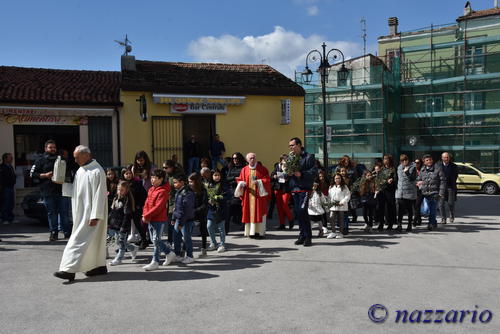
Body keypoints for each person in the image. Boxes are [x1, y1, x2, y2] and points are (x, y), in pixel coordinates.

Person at [53, 145, 108, 282]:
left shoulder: (97, 170)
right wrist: (63, 183)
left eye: (77, 157)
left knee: (77, 240)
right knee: (92, 241)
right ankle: (97, 266)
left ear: (86, 155)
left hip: (91, 214)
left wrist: (95, 215)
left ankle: (68, 270)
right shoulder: (81, 170)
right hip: (81, 212)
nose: (75, 160)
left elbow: (100, 194)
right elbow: (76, 190)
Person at [30, 140, 70, 241]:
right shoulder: (40, 160)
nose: (53, 149)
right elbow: (32, 174)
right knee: (51, 213)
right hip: (47, 191)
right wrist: (45, 175)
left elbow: (70, 172)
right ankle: (53, 233)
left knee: (64, 213)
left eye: (54, 147)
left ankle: (67, 233)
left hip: (62, 190)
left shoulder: (61, 159)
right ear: (45, 148)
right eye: (50, 147)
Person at [142, 169, 176, 271]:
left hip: (159, 219)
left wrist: (147, 215)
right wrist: (144, 214)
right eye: (152, 177)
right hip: (150, 218)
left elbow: (158, 207)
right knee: (154, 240)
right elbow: (147, 203)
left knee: (156, 240)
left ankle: (155, 261)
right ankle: (169, 253)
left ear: (161, 179)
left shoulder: (163, 191)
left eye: (155, 178)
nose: (152, 180)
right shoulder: (151, 189)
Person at [288, 137, 317, 247]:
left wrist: (301, 174)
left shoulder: (309, 157)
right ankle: (302, 235)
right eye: (289, 146)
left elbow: (313, 172)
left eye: (293, 145)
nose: (291, 147)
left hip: (304, 188)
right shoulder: (291, 157)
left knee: (302, 211)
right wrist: (288, 173)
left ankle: (308, 236)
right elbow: (286, 171)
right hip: (294, 188)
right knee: (297, 212)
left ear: (299, 145)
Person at [236, 153, 271, 238]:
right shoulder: (244, 170)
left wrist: (259, 181)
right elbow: (239, 179)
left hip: (259, 196)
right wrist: (241, 184)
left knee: (260, 212)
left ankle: (260, 232)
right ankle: (251, 232)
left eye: (254, 158)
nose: (252, 159)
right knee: (249, 212)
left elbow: (267, 179)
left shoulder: (262, 169)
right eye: (250, 158)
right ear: (247, 160)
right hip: (248, 196)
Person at [108, 181, 138, 266]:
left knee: (121, 242)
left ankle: (119, 259)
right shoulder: (116, 198)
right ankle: (133, 248)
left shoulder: (127, 200)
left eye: (122, 190)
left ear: (126, 190)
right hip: (115, 224)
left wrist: (123, 227)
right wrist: (109, 222)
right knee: (119, 241)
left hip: (123, 225)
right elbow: (112, 212)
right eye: (118, 189)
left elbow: (127, 215)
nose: (119, 191)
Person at [416, 154, 446, 231]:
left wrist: (441, 193)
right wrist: (418, 182)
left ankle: (430, 224)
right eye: (427, 160)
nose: (429, 161)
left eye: (430, 160)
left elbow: (443, 181)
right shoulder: (422, 170)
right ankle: (434, 222)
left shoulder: (438, 169)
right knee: (426, 210)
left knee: (432, 210)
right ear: (424, 162)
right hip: (425, 193)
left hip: (434, 193)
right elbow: (418, 179)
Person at [122, 167, 149, 249]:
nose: (128, 175)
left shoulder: (137, 183)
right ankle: (123, 244)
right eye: (126, 173)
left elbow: (144, 195)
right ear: (123, 175)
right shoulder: (122, 184)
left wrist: (139, 205)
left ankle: (144, 240)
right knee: (124, 227)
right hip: (125, 209)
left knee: (138, 225)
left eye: (130, 173)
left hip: (135, 208)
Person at [172, 174, 196, 264]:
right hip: (178, 219)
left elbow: (187, 210)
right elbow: (176, 207)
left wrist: (181, 223)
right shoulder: (178, 192)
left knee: (187, 238)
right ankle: (177, 255)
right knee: (176, 238)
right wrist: (173, 218)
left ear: (182, 182)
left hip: (186, 220)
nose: (174, 184)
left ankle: (190, 256)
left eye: (175, 182)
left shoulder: (188, 193)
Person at [395, 154, 417, 233]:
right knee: (400, 209)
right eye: (402, 160)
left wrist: (407, 172)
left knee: (409, 209)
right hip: (400, 192)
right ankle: (399, 225)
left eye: (405, 160)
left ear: (408, 160)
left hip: (409, 192)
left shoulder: (413, 167)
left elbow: (413, 178)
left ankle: (409, 225)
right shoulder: (399, 168)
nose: (404, 162)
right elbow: (397, 179)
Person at [270, 154, 293, 230]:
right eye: (284, 159)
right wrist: (274, 176)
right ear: (281, 160)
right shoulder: (277, 166)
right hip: (278, 188)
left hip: (286, 188)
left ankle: (291, 219)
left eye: (287, 160)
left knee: (285, 204)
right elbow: (272, 174)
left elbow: (292, 177)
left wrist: (288, 178)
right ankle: (282, 224)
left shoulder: (290, 167)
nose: (285, 161)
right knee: (279, 207)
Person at [225, 152, 246, 234]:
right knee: (230, 210)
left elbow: (243, 178)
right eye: (233, 158)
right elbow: (227, 179)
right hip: (232, 191)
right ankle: (226, 229)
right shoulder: (231, 167)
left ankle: (243, 225)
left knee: (241, 209)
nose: (235, 160)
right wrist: (235, 178)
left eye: (236, 158)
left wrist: (235, 180)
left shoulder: (244, 167)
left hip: (241, 191)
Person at [188, 173, 209, 258]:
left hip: (201, 213)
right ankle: (185, 250)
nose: (189, 183)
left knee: (203, 230)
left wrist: (195, 211)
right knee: (187, 232)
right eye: (188, 181)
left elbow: (204, 204)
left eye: (191, 182)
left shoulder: (203, 190)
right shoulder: (188, 190)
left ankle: (204, 249)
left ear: (196, 181)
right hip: (190, 213)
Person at [435, 152, 458, 224]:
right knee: (441, 204)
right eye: (444, 157)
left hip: (450, 187)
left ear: (449, 158)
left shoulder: (454, 166)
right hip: (441, 188)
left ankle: (451, 216)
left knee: (451, 204)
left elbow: (456, 176)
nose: (446, 159)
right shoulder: (438, 165)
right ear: (442, 158)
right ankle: (443, 219)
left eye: (447, 157)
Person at [207, 170, 227, 253]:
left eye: (218, 175)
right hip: (211, 209)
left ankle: (222, 244)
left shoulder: (223, 184)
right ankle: (213, 243)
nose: (217, 177)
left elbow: (226, 195)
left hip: (220, 209)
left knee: (221, 228)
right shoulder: (208, 185)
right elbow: (206, 195)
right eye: (215, 175)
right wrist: (208, 200)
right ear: (212, 176)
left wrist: (216, 198)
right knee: (209, 226)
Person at [327, 173, 351, 239]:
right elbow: (329, 196)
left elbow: (348, 195)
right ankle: (333, 232)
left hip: (341, 205)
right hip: (333, 205)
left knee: (341, 219)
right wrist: (329, 204)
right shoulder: (331, 186)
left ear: (341, 179)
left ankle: (340, 233)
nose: (337, 179)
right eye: (336, 178)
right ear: (334, 179)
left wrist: (342, 202)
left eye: (339, 178)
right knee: (331, 217)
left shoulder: (344, 186)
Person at [0, 153, 16, 224]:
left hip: (11, 187)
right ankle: (5, 219)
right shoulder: (2, 167)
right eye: (10, 157)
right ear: (5, 159)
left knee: (11, 203)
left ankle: (10, 218)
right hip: (5, 188)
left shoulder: (10, 166)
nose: (12, 158)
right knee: (5, 204)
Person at [413, 158, 424, 226]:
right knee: (416, 206)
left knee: (417, 205)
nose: (416, 164)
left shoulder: (423, 170)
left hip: (421, 190)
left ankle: (414, 221)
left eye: (418, 163)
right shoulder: (413, 170)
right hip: (414, 190)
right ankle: (419, 220)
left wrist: (421, 182)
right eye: (415, 162)